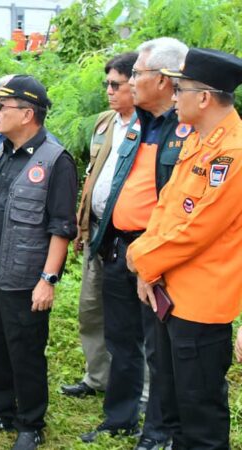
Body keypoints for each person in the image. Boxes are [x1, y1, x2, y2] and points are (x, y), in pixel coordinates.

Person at [128, 47, 242, 450]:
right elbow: (166, 208)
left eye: (180, 90)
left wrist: (140, 258)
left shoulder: (234, 153)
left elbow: (199, 230)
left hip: (202, 307)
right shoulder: (198, 141)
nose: (174, 97)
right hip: (168, 293)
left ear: (205, 97)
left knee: (201, 416)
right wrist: (149, 269)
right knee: (173, 405)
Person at [81, 38, 189, 450]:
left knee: (157, 350)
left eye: (137, 75)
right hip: (118, 249)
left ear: (162, 81)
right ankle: (120, 418)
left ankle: (157, 430)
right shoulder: (136, 125)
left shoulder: (183, 129)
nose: (130, 83)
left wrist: (155, 258)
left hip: (156, 256)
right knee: (120, 340)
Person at [0, 75, 77, 450]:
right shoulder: (2, 152)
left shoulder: (55, 160)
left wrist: (48, 278)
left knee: (25, 349)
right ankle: (1, 411)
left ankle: (30, 422)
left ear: (27, 114)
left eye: (1, 106)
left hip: (27, 276)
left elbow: (61, 227)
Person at [61, 52, 137, 399]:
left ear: (136, 85)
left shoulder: (151, 127)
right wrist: (81, 223)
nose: (109, 90)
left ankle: (142, 391)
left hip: (132, 237)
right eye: (107, 83)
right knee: (91, 309)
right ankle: (97, 378)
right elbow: (92, 178)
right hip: (97, 232)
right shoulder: (106, 123)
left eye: (116, 84)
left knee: (133, 319)